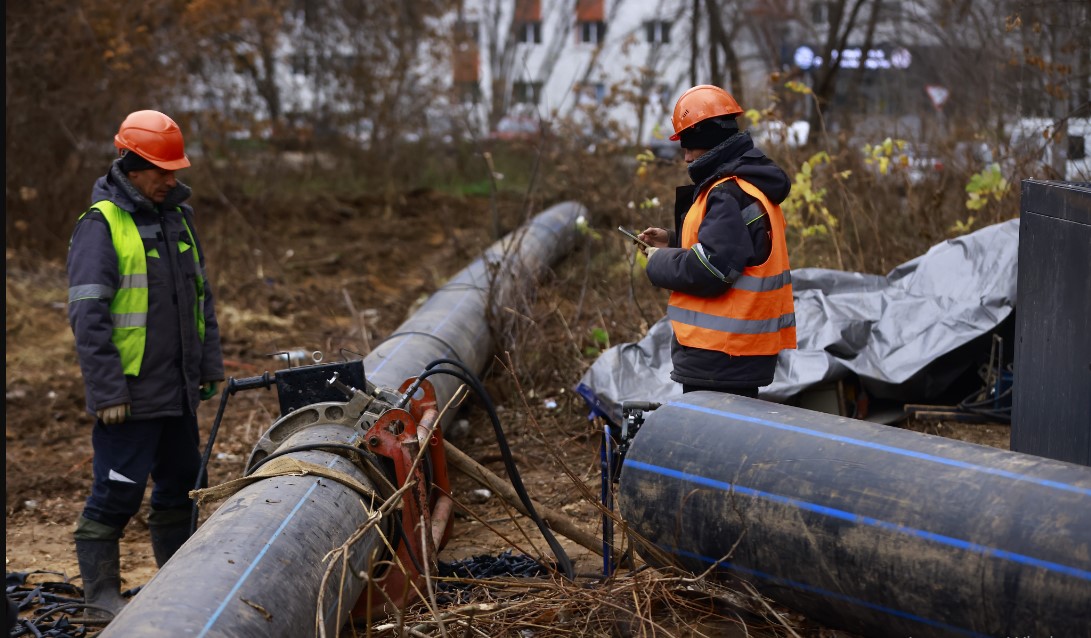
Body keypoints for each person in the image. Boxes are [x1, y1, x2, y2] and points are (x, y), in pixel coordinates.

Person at [66, 110, 225, 619]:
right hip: (129, 397)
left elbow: (201, 299)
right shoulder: (101, 225)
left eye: (175, 168)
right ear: (131, 164)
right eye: (162, 169)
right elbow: (88, 317)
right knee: (117, 494)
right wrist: (108, 391)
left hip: (176, 390)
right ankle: (100, 600)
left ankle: (177, 589)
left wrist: (207, 364)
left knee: (181, 484)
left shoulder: (178, 218)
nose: (172, 178)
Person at [638, 85, 796, 397]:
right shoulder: (746, 185)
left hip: (720, 356)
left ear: (706, 140)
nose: (685, 157)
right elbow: (734, 248)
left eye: (688, 145)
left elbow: (711, 269)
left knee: (710, 444)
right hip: (735, 355)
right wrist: (672, 241)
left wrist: (658, 262)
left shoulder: (726, 191)